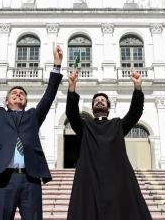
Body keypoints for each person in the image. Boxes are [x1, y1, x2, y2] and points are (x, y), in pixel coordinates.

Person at [0, 39, 63, 220]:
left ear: (26, 101)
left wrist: (57, 65)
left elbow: (48, 96)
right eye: (14, 93)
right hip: (1, 178)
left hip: (30, 179)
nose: (18, 94)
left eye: (22, 94)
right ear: (7, 100)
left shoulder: (33, 116)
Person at [65, 69, 153, 220]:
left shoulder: (118, 124)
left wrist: (137, 88)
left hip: (117, 178)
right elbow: (72, 114)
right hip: (90, 178)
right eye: (96, 101)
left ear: (108, 107)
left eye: (103, 100)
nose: (99, 101)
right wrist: (72, 89)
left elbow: (135, 113)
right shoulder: (85, 126)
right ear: (92, 108)